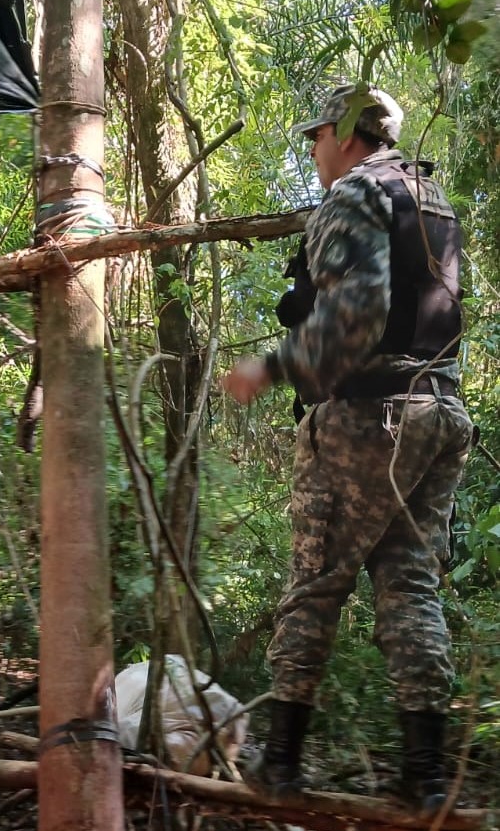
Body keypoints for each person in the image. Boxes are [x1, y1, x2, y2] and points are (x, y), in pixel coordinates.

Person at [221, 84, 473, 814]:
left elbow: (357, 315)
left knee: (315, 579)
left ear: (345, 133)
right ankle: (425, 779)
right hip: (440, 411)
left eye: (316, 135)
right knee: (409, 586)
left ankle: (282, 764)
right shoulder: (432, 200)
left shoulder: (354, 194)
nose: (311, 150)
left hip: (369, 418)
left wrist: (269, 368)